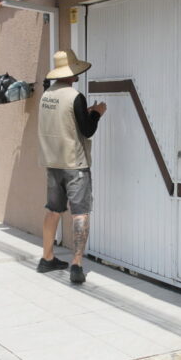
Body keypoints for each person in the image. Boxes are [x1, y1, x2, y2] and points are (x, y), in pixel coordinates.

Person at [36, 49, 106, 284]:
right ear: (72, 73)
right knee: (80, 212)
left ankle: (47, 258)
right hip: (74, 164)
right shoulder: (75, 97)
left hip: (52, 162)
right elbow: (87, 130)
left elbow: (61, 121)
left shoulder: (47, 95)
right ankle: (76, 263)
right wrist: (96, 114)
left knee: (53, 210)